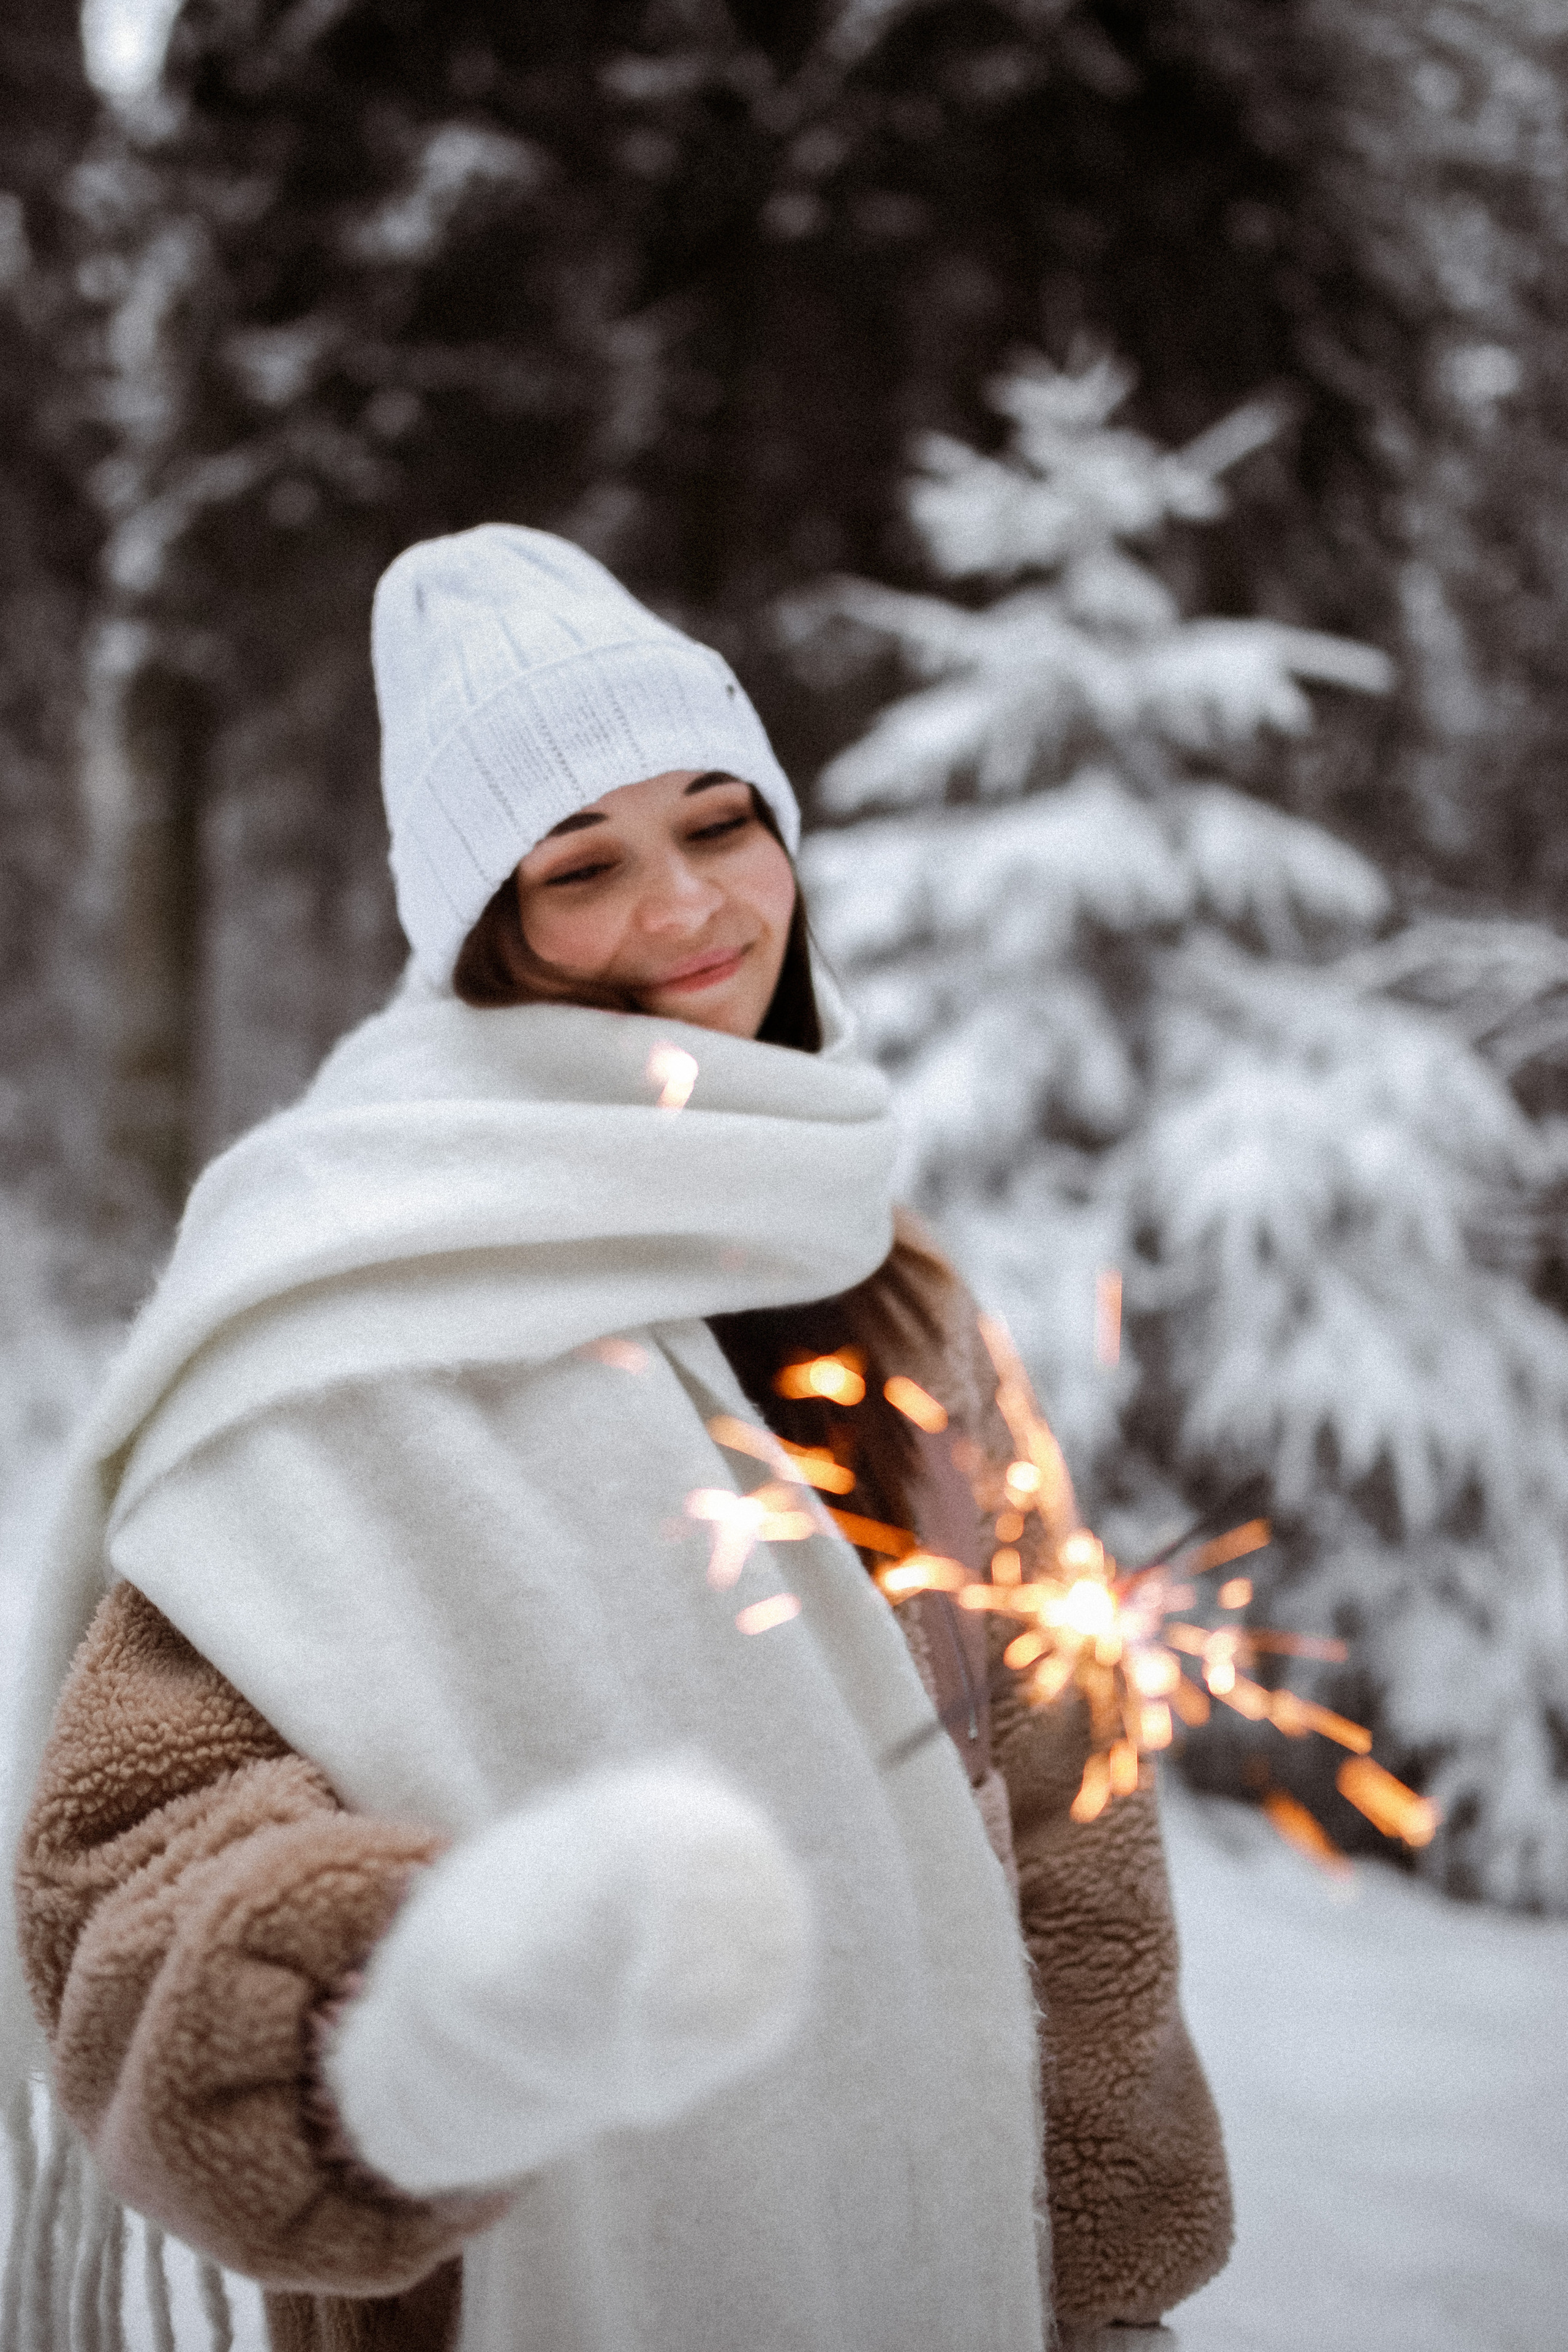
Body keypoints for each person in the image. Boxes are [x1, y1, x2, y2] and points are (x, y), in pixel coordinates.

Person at [6, 527, 1231, 2352]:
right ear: (488, 940)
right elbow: (135, 1842)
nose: (686, 912)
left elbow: (1063, 1827)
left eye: (720, 822)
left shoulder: (889, 1291)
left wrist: (1112, 2286)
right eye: (582, 866)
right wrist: (409, 2036)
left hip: (949, 2268)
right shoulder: (360, 1281)